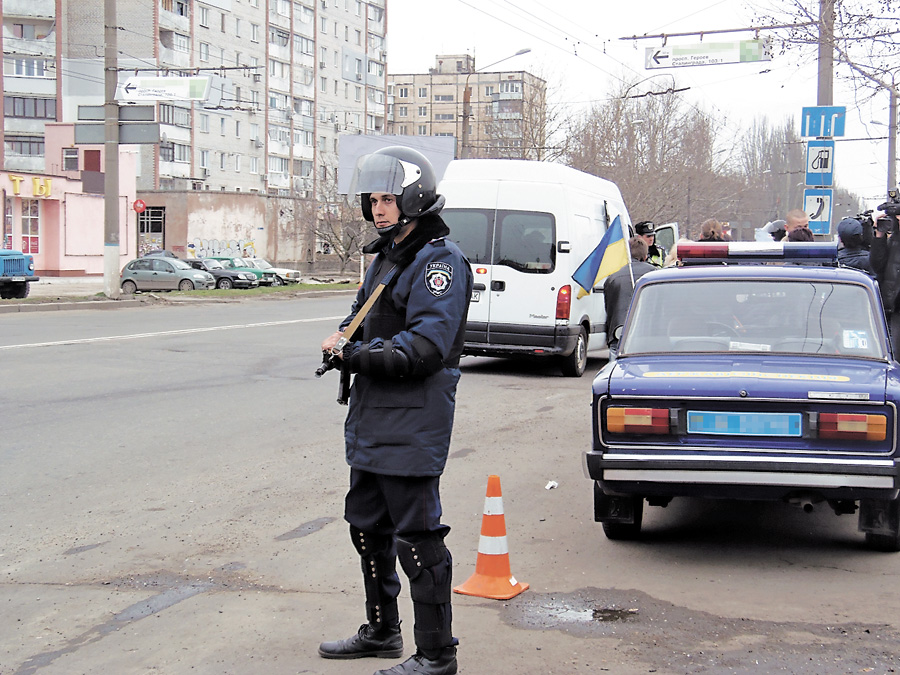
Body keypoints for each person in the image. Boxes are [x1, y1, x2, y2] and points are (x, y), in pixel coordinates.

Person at [318, 146, 472, 675]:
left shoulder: (439, 261)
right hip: (373, 414)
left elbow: (426, 347)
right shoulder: (389, 254)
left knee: (417, 536)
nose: (379, 209)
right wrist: (345, 336)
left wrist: (355, 353)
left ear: (414, 197)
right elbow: (366, 316)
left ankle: (436, 654)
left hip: (413, 417)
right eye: (373, 199)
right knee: (366, 525)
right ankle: (383, 630)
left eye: (389, 198)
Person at [603, 237, 657, 355]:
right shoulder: (656, 275)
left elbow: (609, 309)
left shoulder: (613, 278)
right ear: (645, 256)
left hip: (619, 334)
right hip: (650, 335)